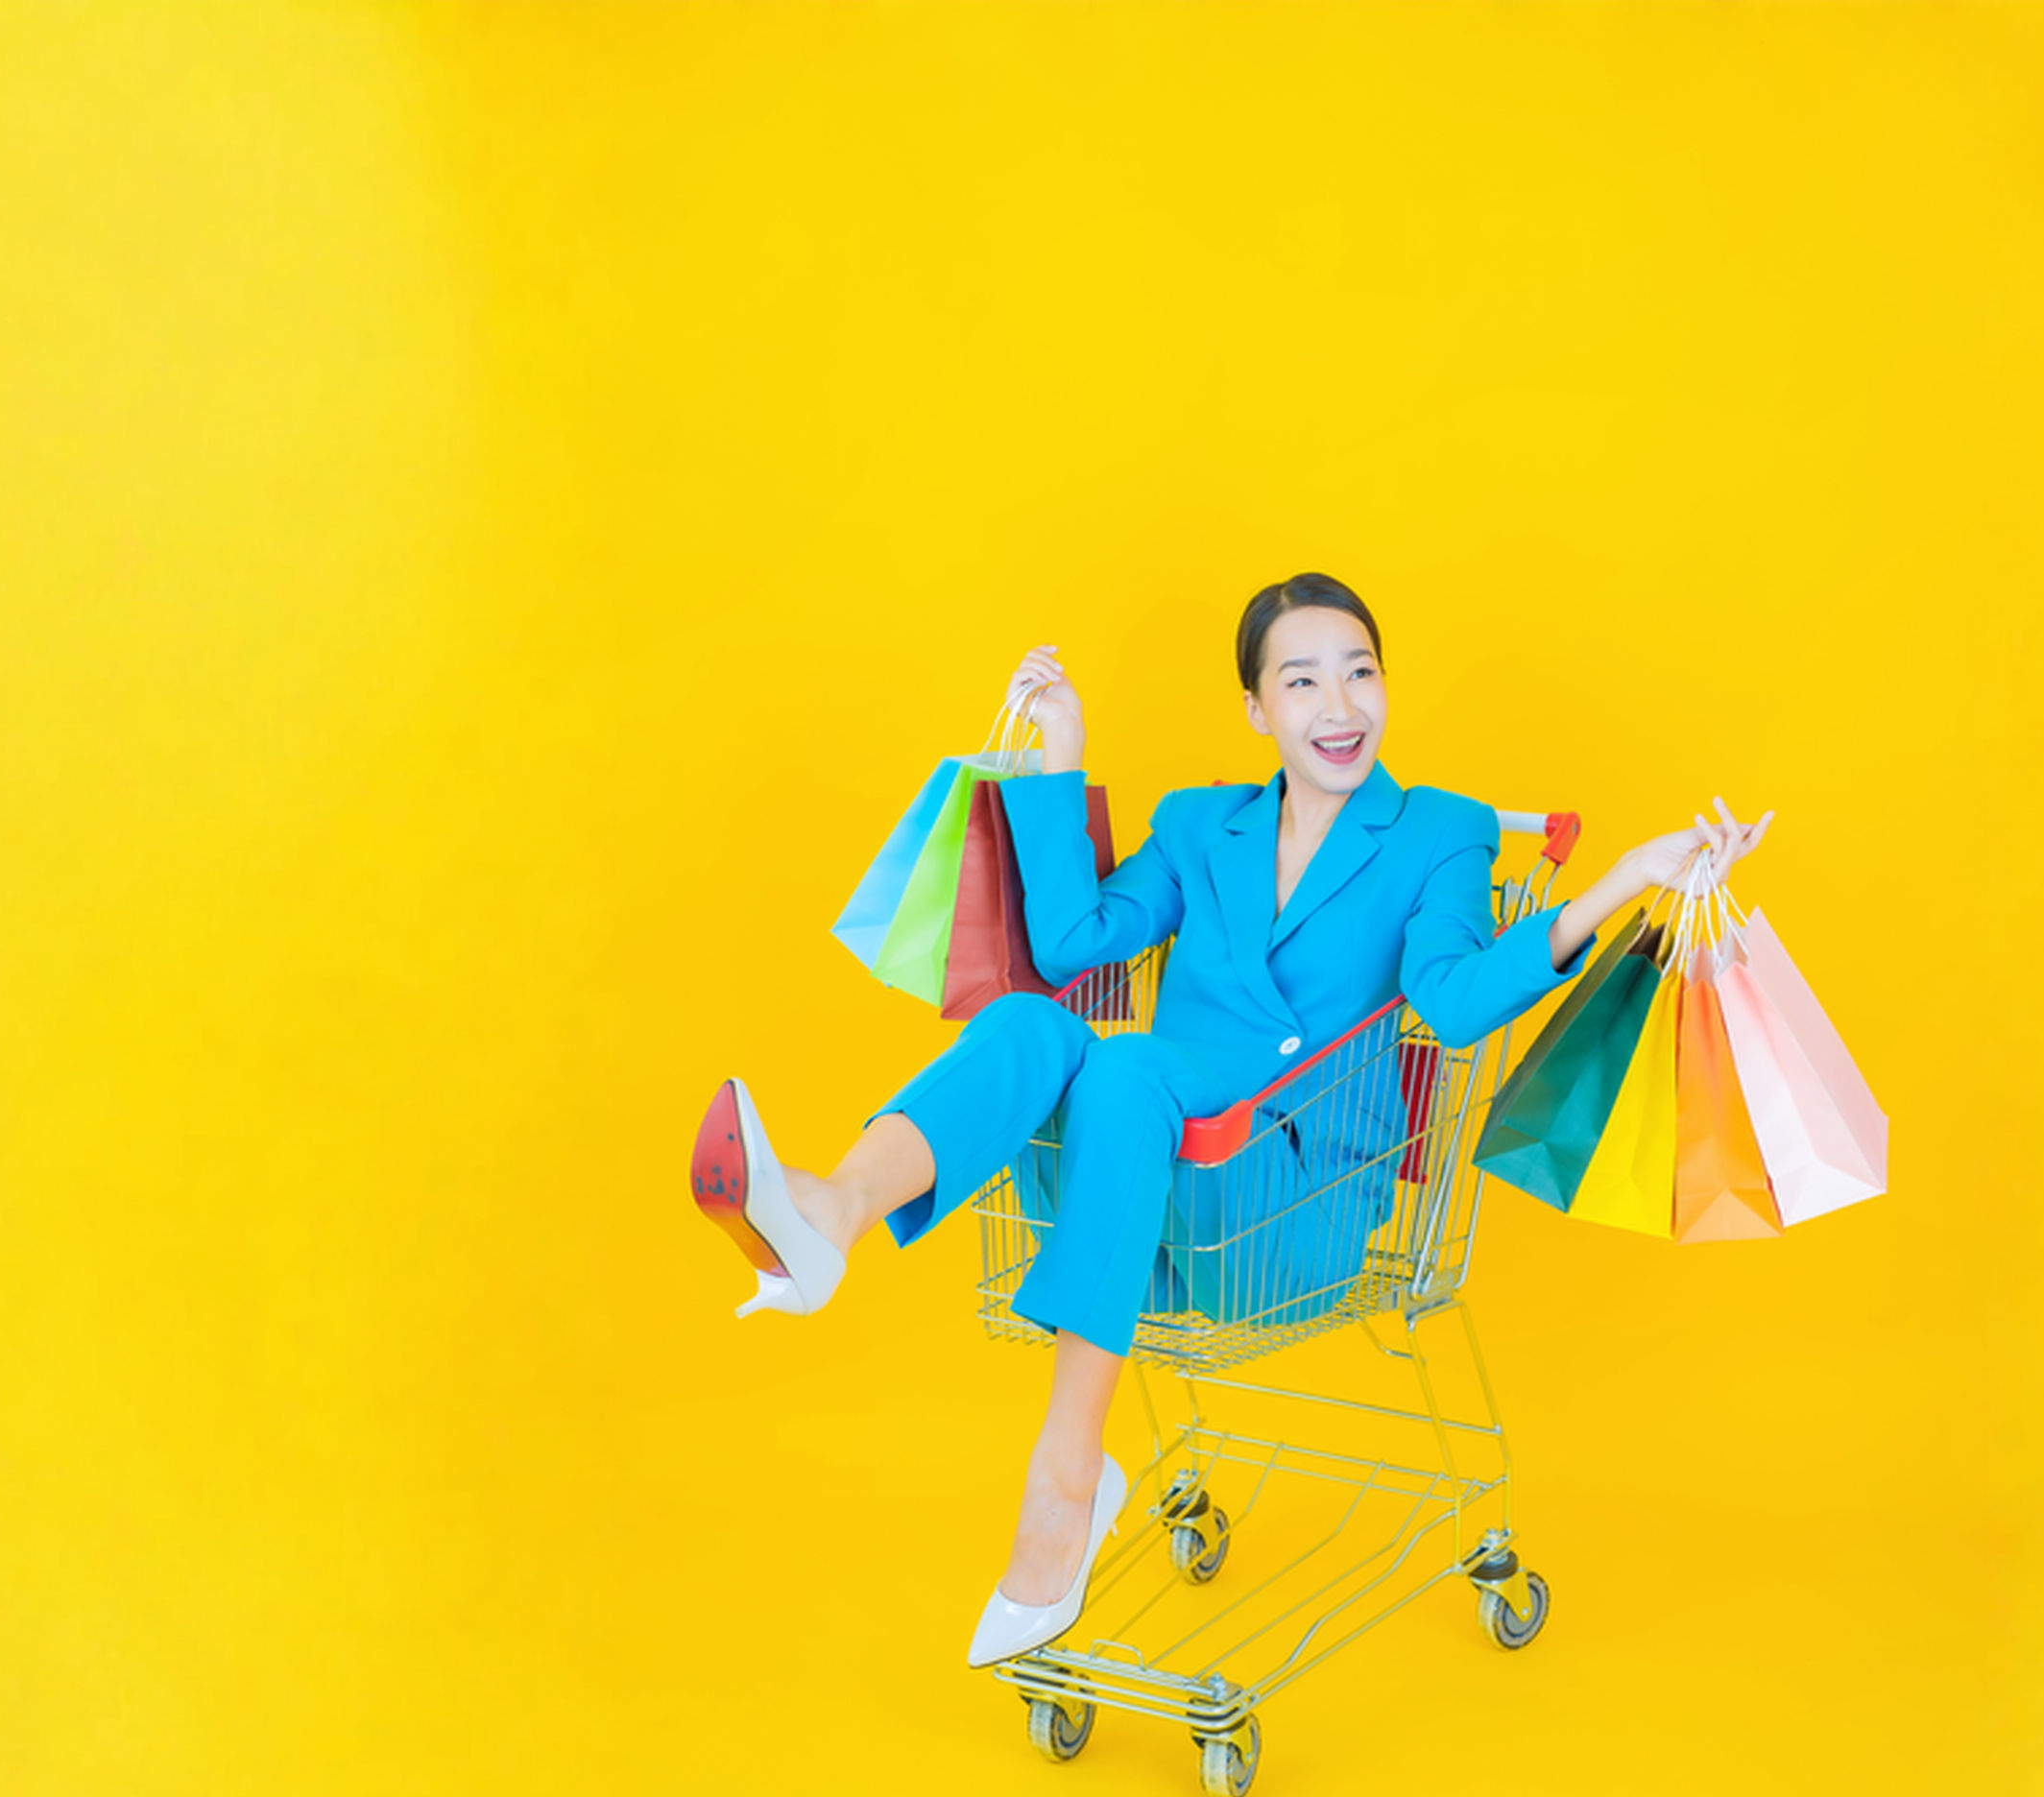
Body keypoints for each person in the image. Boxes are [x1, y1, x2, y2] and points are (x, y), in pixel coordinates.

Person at [693, 572, 1767, 1665]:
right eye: (1301, 682)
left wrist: (1625, 878)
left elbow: (1448, 1001)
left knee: (1121, 1073)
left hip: (1283, 1210)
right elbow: (1072, 942)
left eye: (1359, 674)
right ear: (1258, 710)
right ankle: (831, 1214)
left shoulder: (1439, 834)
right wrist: (1062, 754)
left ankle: (1067, 1479)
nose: (1338, 707)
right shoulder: (1202, 825)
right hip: (1140, 1193)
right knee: (1029, 1022)